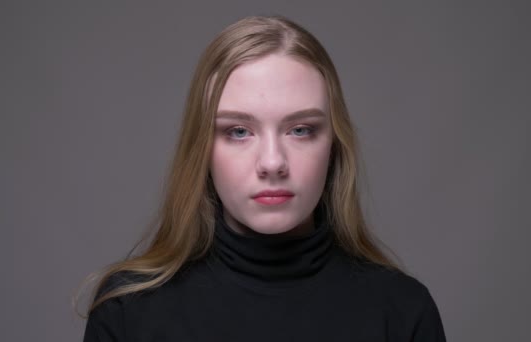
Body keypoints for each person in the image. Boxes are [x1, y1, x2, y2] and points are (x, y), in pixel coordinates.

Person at [78, 15, 446, 341]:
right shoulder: (127, 311)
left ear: (335, 144)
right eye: (238, 131)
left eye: (300, 130)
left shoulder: (402, 311)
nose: (272, 162)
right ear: (201, 148)